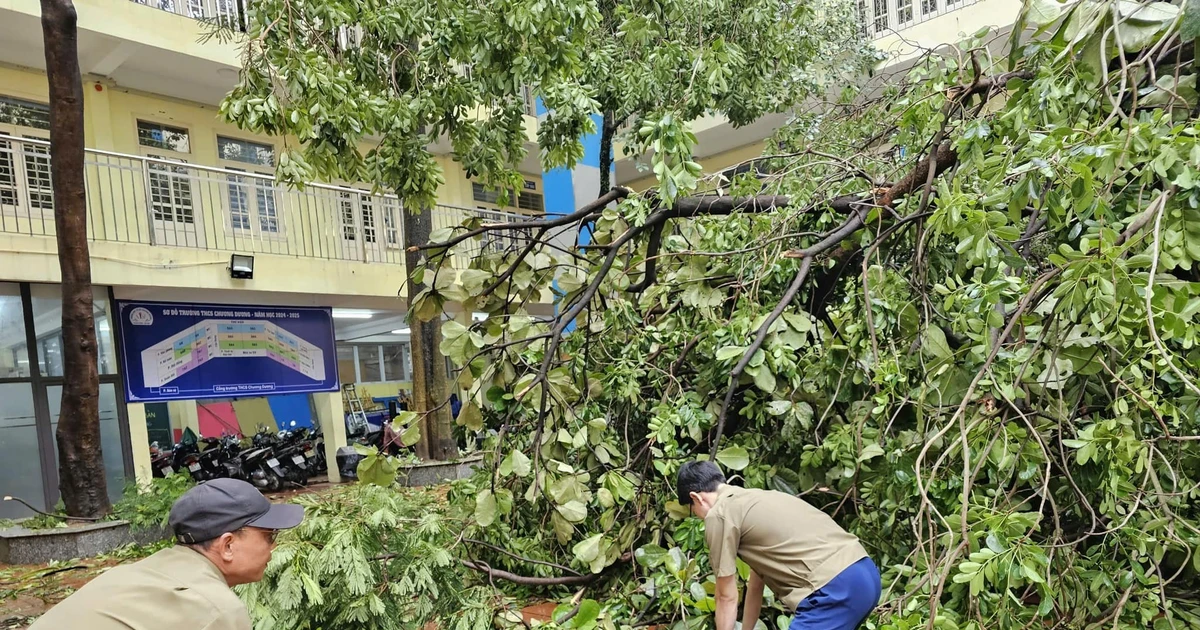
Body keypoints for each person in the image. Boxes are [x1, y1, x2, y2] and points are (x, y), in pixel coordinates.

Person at [30, 478, 304, 630]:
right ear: (228, 545)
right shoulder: (215, 609)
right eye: (269, 536)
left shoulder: (136, 572)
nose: (273, 547)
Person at [677, 460, 880, 630]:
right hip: (865, 573)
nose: (699, 516)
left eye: (691, 509)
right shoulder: (759, 498)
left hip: (833, 590)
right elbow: (755, 585)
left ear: (696, 497)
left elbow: (726, 596)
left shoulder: (719, 514)